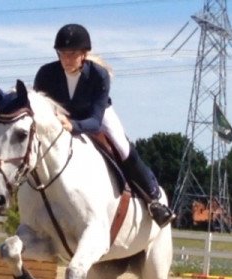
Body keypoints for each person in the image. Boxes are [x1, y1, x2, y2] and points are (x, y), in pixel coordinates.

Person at [33, 23, 175, 228]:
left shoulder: (99, 75)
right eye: (62, 53)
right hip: (62, 117)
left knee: (122, 147)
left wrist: (73, 125)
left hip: (95, 115)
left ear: (84, 54)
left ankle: (153, 199)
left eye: (72, 54)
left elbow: (95, 121)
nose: (66, 59)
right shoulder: (46, 74)